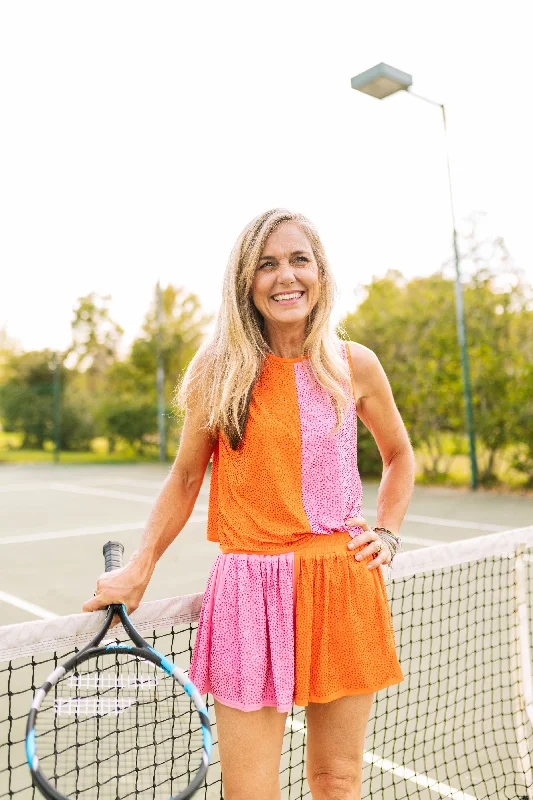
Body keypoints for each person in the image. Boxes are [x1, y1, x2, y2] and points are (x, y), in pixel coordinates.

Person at [83, 208, 415, 800]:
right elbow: (186, 478)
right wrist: (141, 566)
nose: (284, 276)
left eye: (298, 260)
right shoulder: (220, 369)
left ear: (320, 272)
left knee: (337, 781)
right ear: (246, 282)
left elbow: (399, 456)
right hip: (248, 593)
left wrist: (386, 531)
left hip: (342, 585)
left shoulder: (353, 363)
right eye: (266, 264)